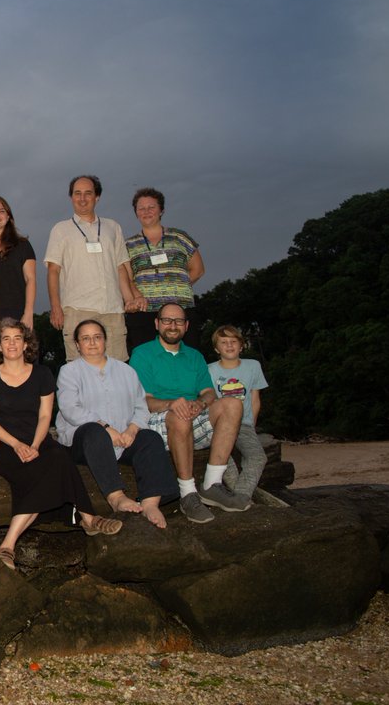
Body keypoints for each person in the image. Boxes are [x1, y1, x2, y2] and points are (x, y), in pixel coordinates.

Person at [0, 318, 122, 570]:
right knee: (42, 474)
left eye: (17, 338)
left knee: (59, 457)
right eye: (6, 339)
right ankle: (87, 517)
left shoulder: (43, 374)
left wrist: (34, 445)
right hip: (3, 444)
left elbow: (46, 415)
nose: (12, 343)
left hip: (37, 439)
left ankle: (7, 545)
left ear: (26, 344)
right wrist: (16, 445)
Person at [55, 320, 178, 529]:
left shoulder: (126, 371)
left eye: (97, 337)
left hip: (123, 439)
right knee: (94, 431)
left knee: (151, 438)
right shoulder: (69, 372)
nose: (92, 342)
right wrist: (105, 428)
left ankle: (150, 502)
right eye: (85, 338)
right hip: (84, 443)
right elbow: (70, 408)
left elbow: (141, 406)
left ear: (105, 340)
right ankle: (116, 497)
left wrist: (132, 429)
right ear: (77, 344)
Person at [129, 304, 247, 524]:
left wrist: (200, 404)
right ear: (157, 324)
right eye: (167, 320)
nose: (173, 326)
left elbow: (209, 393)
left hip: (193, 420)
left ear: (186, 326)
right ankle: (187, 493)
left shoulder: (194, 356)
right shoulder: (142, 354)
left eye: (179, 321)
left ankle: (212, 485)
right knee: (179, 416)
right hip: (158, 424)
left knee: (232, 404)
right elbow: (145, 401)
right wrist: (173, 404)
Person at [46, 175, 137, 361]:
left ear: (97, 197)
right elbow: (53, 270)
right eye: (77, 193)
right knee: (80, 371)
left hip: (112, 310)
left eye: (88, 193)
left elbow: (120, 265)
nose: (82, 198)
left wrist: (130, 298)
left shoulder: (113, 227)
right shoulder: (60, 229)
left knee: (117, 368)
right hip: (77, 310)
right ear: (71, 197)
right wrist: (55, 307)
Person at [123, 187, 205, 352]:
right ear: (136, 213)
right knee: (146, 359)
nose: (146, 211)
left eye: (151, 207)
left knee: (187, 356)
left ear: (161, 210)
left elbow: (198, 269)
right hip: (145, 311)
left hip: (181, 309)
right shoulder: (127, 245)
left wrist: (176, 285)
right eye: (141, 208)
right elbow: (127, 278)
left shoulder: (180, 237)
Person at [207, 325, 269, 509]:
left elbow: (255, 398)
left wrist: (252, 425)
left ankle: (241, 495)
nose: (229, 345)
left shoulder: (253, 366)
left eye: (233, 341)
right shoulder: (209, 370)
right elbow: (208, 400)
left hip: (244, 424)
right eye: (224, 342)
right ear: (216, 348)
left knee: (258, 457)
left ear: (241, 345)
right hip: (218, 425)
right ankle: (235, 497)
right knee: (224, 458)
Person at [0, 196, 36, 330]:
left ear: (8, 216)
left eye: (1, 211)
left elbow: (31, 279)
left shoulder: (23, 245)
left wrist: (28, 313)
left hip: (19, 314)